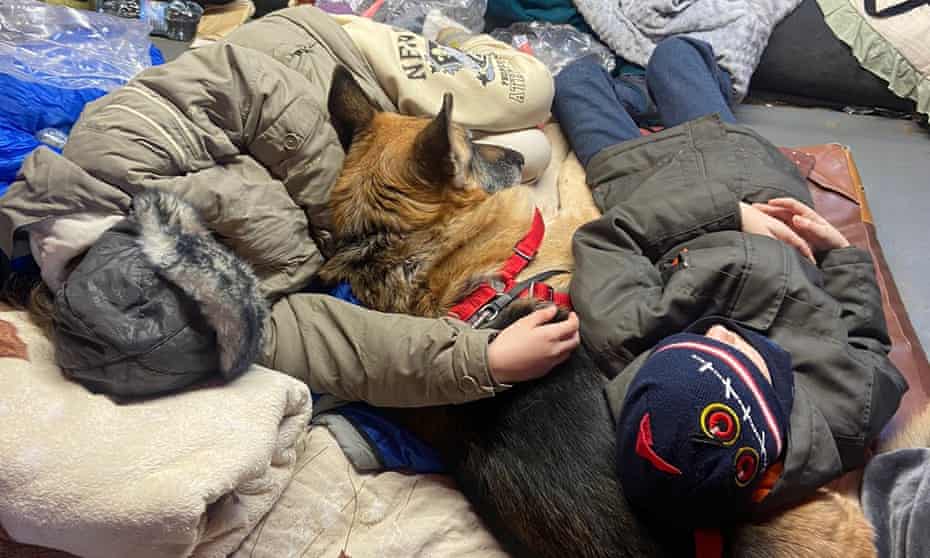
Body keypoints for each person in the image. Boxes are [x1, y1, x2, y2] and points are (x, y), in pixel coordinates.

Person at [0, 7, 578, 405]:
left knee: (532, 91)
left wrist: (350, 203)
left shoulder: (107, 156)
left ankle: (453, 38)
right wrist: (482, 363)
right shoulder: (218, 325)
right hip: (379, 147)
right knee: (526, 152)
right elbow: (338, 348)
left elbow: (247, 84)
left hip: (321, 57)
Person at [552, 34, 908, 553]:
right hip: (745, 171)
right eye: (738, 353)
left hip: (645, 186)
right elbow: (868, 339)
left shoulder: (625, 343)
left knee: (572, 80)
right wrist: (839, 256)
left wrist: (726, 216)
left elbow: (609, 240)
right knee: (677, 54)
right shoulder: (847, 409)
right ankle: (648, 93)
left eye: (694, 341)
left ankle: (636, 98)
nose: (718, 330)